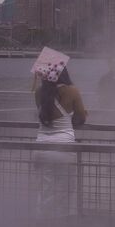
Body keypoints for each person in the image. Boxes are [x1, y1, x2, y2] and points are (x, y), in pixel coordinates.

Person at [33, 65, 87, 218]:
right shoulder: (72, 91)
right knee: (66, 189)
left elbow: (45, 114)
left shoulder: (38, 93)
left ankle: (43, 222)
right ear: (64, 74)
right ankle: (62, 223)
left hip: (41, 146)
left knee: (44, 190)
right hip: (64, 148)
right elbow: (81, 118)